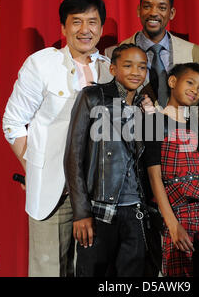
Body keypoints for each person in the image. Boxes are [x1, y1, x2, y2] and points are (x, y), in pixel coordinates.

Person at [2, 0, 114, 277]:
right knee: (49, 270)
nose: (84, 30)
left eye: (92, 22)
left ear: (101, 28)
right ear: (63, 28)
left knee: (92, 270)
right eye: (76, 22)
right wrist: (36, 168)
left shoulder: (110, 70)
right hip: (55, 193)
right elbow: (13, 122)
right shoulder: (41, 64)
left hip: (99, 193)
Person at [64, 44, 151, 277]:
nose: (136, 72)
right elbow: (73, 157)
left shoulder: (144, 107)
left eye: (142, 67)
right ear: (113, 69)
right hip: (100, 210)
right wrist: (81, 212)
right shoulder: (92, 97)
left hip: (136, 212)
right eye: (128, 65)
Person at [144, 63, 199, 277]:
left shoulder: (193, 125)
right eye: (190, 83)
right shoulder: (154, 122)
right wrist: (172, 225)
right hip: (177, 212)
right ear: (172, 82)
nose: (195, 91)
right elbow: (155, 178)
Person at [105, 0, 199, 107]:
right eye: (147, 6)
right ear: (138, 10)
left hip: (181, 125)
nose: (153, 13)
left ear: (171, 13)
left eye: (162, 8)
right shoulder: (112, 52)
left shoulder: (192, 51)